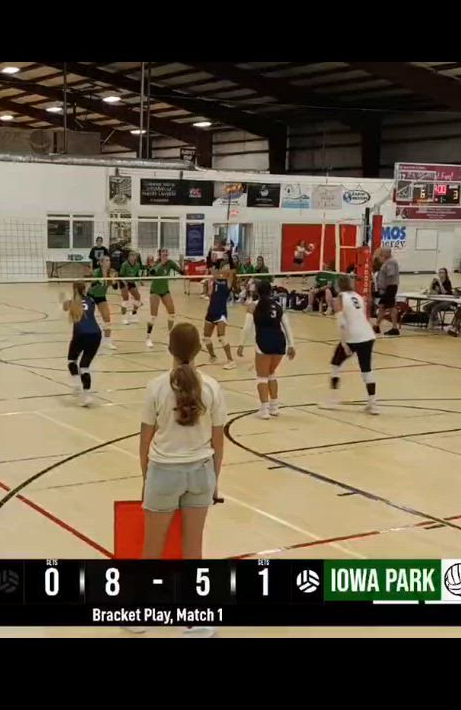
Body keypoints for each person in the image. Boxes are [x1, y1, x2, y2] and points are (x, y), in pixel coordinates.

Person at [137, 322, 227, 639]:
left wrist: (146, 478)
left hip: (163, 472)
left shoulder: (156, 387)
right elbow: (219, 442)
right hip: (201, 472)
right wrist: (214, 480)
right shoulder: (212, 387)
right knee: (193, 549)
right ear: (199, 349)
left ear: (170, 349)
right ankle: (194, 620)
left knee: (152, 549)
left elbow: (144, 441)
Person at [318, 275, 379, 414]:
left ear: (338, 286)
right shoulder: (358, 296)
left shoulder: (340, 298)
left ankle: (333, 400)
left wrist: (344, 344)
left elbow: (342, 324)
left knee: (335, 365)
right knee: (367, 370)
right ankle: (373, 404)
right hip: (368, 335)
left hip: (352, 337)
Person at [237, 280, 295, 419]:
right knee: (271, 374)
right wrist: (291, 345)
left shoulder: (253, 306)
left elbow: (247, 328)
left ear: (257, 291)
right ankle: (274, 407)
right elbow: (287, 326)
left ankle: (264, 410)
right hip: (279, 342)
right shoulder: (278, 305)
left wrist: (241, 344)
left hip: (264, 341)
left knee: (262, 377)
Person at [61, 281, 104, 407]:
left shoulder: (72, 302)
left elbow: (65, 307)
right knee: (84, 367)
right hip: (96, 334)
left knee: (71, 361)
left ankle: (76, 384)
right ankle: (87, 396)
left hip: (80, 334)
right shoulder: (91, 300)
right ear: (84, 289)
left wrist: (64, 298)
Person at [144, 248, 181, 349]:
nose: (165, 253)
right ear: (160, 254)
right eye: (163, 252)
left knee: (172, 313)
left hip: (165, 291)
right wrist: (160, 264)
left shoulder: (170, 263)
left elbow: (181, 271)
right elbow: (151, 274)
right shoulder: (156, 263)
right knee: (153, 316)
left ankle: (169, 336)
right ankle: (148, 337)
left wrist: (182, 266)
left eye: (166, 252)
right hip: (155, 291)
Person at [203, 264, 236, 369]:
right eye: (224, 267)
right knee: (206, 337)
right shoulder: (215, 280)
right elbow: (209, 294)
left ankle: (231, 361)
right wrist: (210, 284)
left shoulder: (228, 282)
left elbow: (231, 273)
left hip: (221, 312)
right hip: (211, 311)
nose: (225, 269)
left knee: (221, 337)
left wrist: (217, 274)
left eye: (227, 267)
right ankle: (213, 356)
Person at [88, 256, 117, 351]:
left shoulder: (111, 272)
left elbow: (115, 287)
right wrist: (100, 279)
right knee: (88, 319)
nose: (109, 262)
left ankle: (107, 341)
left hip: (101, 296)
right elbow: (92, 284)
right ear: (101, 263)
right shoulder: (97, 272)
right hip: (92, 296)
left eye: (109, 260)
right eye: (106, 260)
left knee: (107, 319)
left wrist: (113, 279)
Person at [374, 247, 401, 336]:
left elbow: (390, 275)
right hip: (388, 288)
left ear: (387, 253)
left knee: (390, 306)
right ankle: (377, 326)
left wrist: (385, 289)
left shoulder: (391, 262)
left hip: (390, 287)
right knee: (383, 306)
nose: (381, 254)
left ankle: (394, 328)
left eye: (382, 253)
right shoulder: (387, 262)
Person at [118, 251, 145, 325]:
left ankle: (133, 314)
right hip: (123, 282)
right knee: (125, 299)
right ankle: (124, 318)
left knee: (138, 297)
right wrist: (125, 284)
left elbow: (136, 275)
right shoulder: (124, 264)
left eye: (135, 256)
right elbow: (120, 276)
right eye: (132, 255)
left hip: (131, 282)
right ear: (129, 257)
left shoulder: (137, 265)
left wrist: (140, 280)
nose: (133, 257)